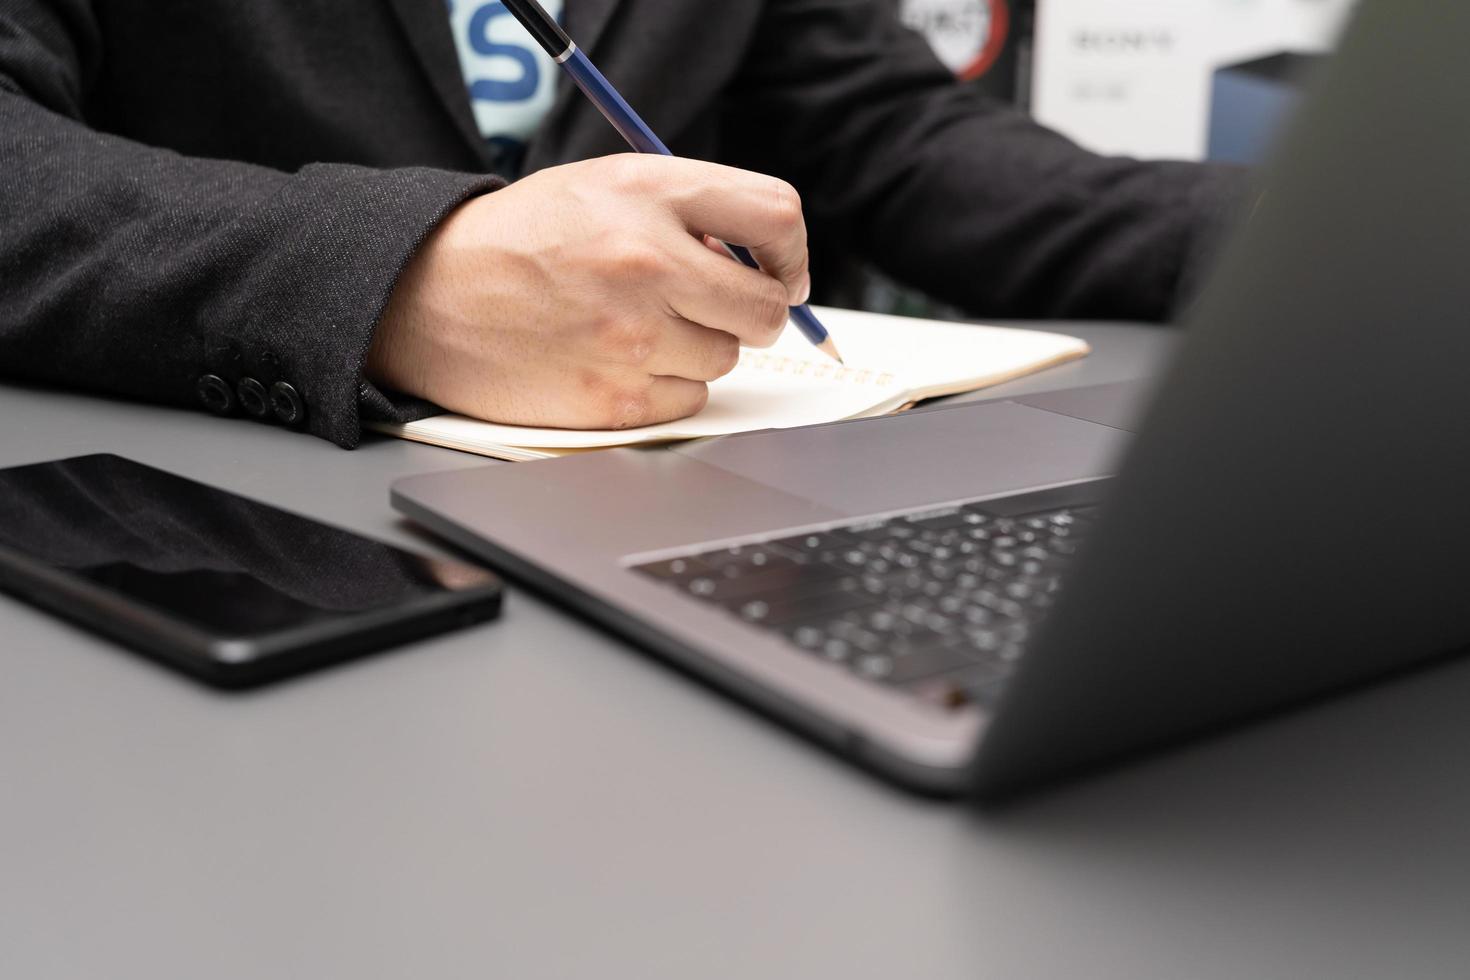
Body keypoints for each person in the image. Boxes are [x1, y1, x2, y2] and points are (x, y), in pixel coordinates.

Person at [0, 0, 1242, 448]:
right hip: (206, 536)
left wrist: (1285, 233)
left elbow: (902, 139)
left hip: (640, 520)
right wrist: (396, 273)